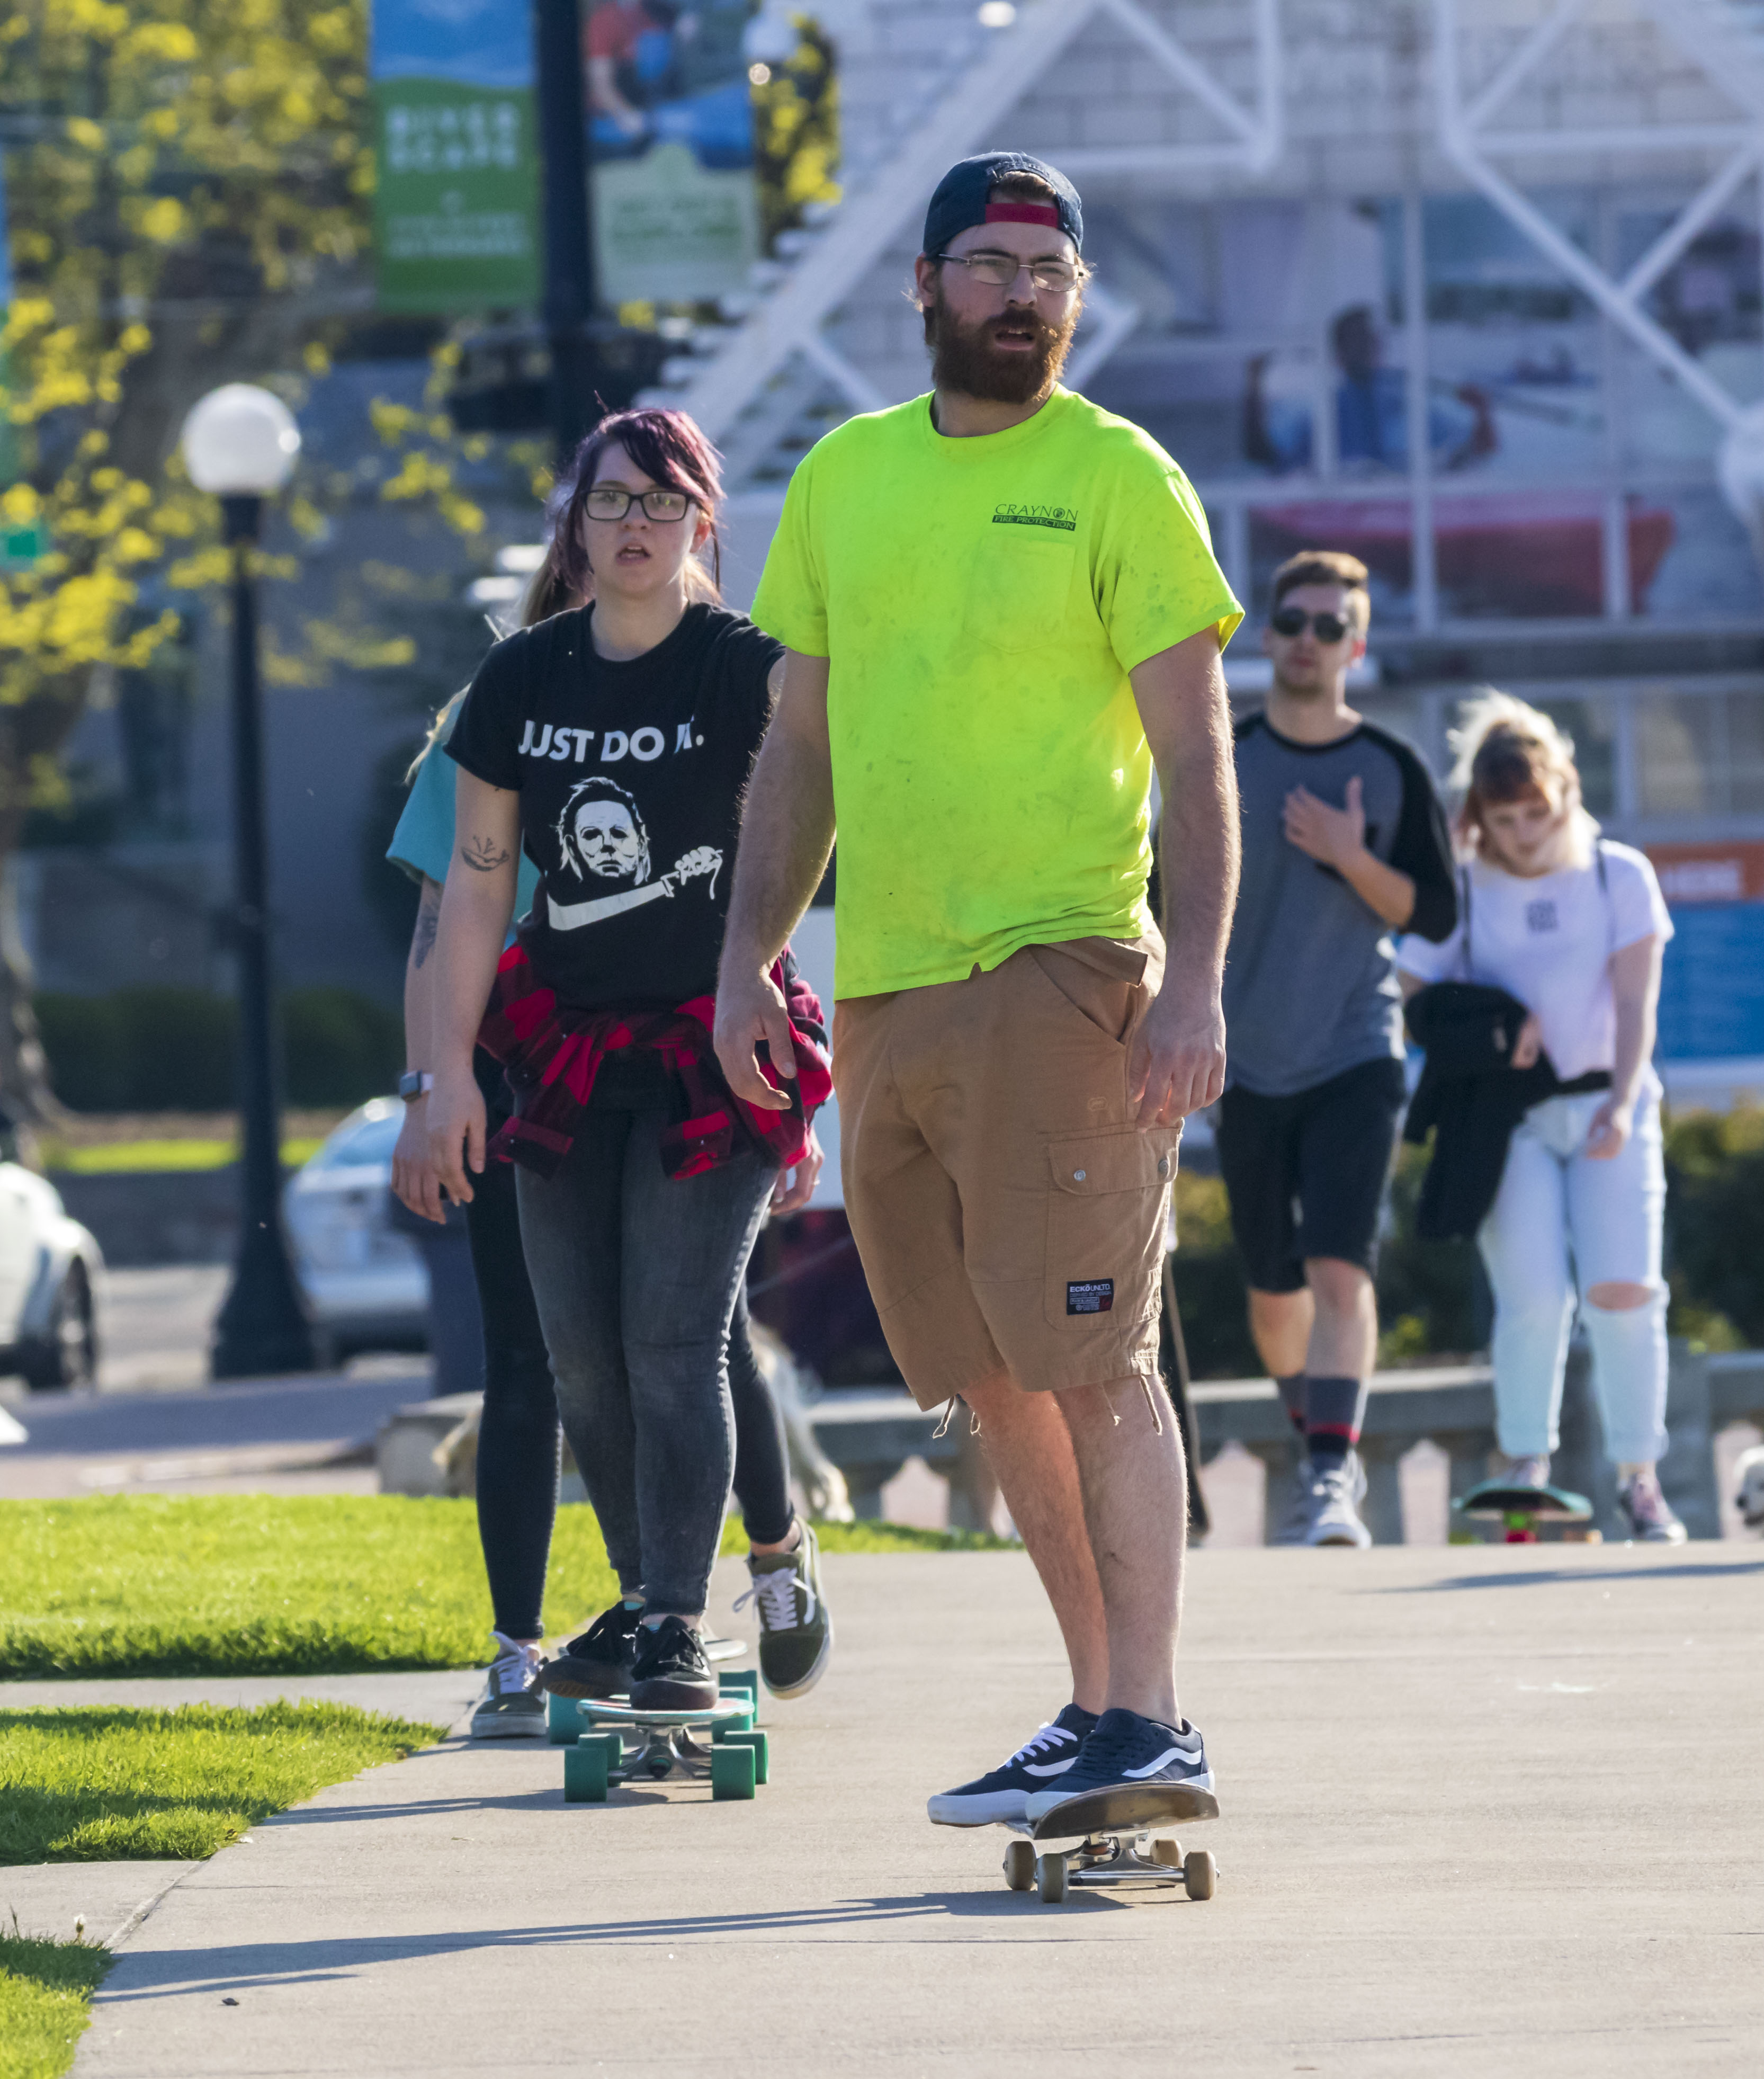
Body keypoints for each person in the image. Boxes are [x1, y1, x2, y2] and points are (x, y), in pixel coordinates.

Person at [713, 150, 1243, 1828]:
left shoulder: (1117, 476)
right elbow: (796, 747)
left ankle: (1148, 1713)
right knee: (990, 1373)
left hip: (1061, 964)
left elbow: (1197, 750)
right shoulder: (845, 481)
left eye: (1050, 272)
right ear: (926, 285)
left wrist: (1195, 979)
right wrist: (745, 955)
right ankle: (1094, 1710)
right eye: (993, 264)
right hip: (890, 985)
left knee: (1093, 1353)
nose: (1023, 293)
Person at [414, 406, 831, 1716]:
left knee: (672, 1336)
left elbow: (827, 788)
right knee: (577, 1352)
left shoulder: (743, 667)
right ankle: (652, 1591)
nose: (635, 525)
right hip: (561, 1046)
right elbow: (475, 892)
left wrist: (757, 968)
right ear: (575, 524)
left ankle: (666, 1618)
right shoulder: (525, 679)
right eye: (611, 502)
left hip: (713, 1041)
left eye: (661, 503)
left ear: (704, 522)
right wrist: (445, 1080)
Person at [1394, 694, 1684, 1541]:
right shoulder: (1464, 883)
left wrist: (1625, 1103)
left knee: (1624, 1292)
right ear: (1480, 813)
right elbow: (1414, 992)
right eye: (1505, 816)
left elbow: (1637, 1005)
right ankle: (1527, 1468)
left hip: (1606, 1101)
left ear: (1566, 791)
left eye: (1537, 811)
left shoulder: (1616, 872)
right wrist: (1494, 1021)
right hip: (1506, 1115)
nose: (1523, 832)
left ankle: (1641, 1478)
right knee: (1533, 1296)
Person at [1217, 549, 1457, 1546]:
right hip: (1245, 1062)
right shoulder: (1222, 756)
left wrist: (1353, 857)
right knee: (1275, 1293)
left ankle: (1329, 1474)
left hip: (1358, 1051)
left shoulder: (1391, 768)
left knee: (1340, 1273)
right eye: (1295, 621)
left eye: (1331, 626)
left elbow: (1437, 916)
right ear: (1267, 635)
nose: (1309, 640)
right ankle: (1312, 1431)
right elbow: (1158, 901)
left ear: (1356, 646)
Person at [1243, 306, 1496, 477]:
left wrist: (1482, 413)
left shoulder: (1405, 406)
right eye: (1357, 341)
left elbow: (1477, 450)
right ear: (1339, 354)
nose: (1366, 348)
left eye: (1370, 340)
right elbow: (1265, 457)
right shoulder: (1321, 415)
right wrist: (1254, 386)